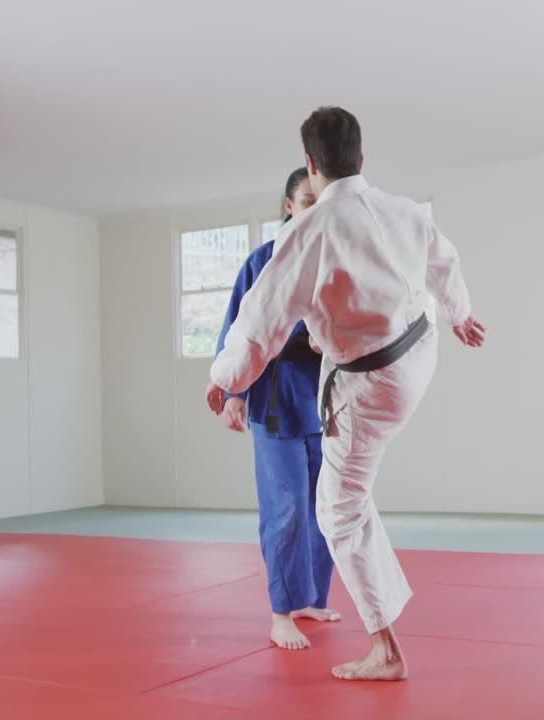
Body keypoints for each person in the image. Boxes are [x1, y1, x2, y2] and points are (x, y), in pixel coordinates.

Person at [208, 106, 486, 681]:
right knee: (348, 497)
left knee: (336, 508)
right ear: (362, 158)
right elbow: (444, 259)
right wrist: (460, 313)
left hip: (370, 381)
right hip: (419, 354)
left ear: (311, 168)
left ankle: (385, 651)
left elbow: (259, 319)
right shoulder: (404, 211)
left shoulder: (311, 231)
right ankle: (377, 624)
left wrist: (226, 378)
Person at [205, 167, 339, 651]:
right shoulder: (262, 261)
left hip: (326, 402)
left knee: (325, 509)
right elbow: (236, 332)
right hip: (277, 398)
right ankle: (281, 612)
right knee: (286, 510)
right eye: (306, 201)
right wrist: (233, 392)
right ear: (288, 206)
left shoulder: (334, 261)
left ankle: (309, 598)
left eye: (320, 200)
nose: (314, 208)